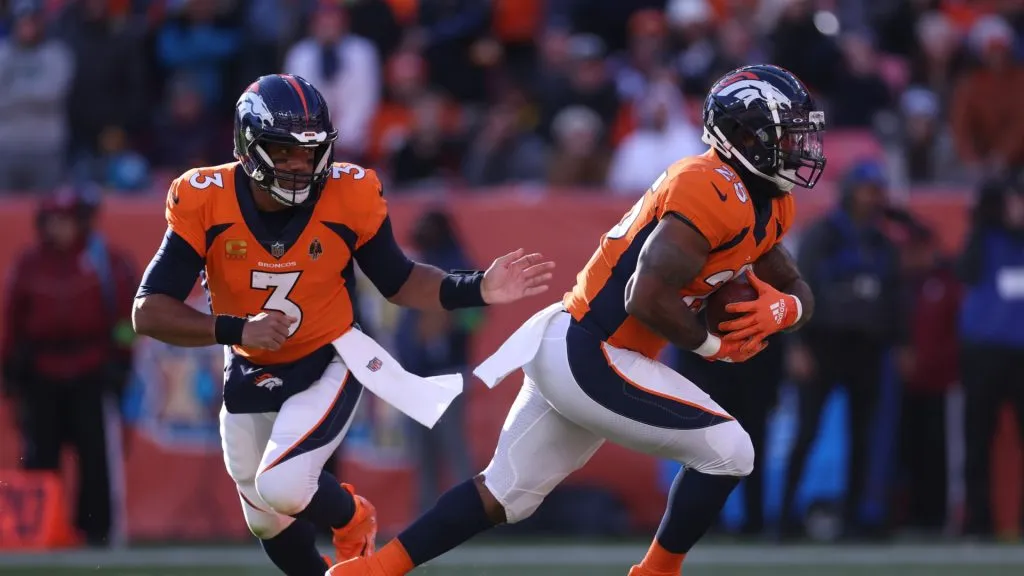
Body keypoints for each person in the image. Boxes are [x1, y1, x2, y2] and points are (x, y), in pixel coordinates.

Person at [328, 64, 823, 576]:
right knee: (731, 450)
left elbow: (796, 286)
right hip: (594, 349)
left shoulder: (768, 202)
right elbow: (644, 294)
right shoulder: (709, 186)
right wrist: (716, 348)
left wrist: (784, 309)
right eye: (785, 136)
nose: (797, 148)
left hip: (576, 345)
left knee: (504, 493)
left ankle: (371, 570)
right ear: (742, 135)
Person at [131, 74, 554, 576]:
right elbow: (148, 310)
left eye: (309, 153)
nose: (298, 165)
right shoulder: (205, 198)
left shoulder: (349, 193)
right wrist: (237, 330)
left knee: (284, 485)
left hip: (332, 355)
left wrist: (476, 288)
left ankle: (353, 518)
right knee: (266, 520)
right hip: (248, 361)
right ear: (249, 147)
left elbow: (399, 281)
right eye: (283, 151)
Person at [2, 185, 136, 547]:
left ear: (81, 223)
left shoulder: (106, 262)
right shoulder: (29, 263)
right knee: (39, 456)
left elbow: (126, 318)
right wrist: (11, 368)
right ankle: (38, 530)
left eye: (67, 221)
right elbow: (13, 317)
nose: (59, 229)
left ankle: (95, 533)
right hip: (42, 372)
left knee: (95, 459)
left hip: (91, 370)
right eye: (53, 221)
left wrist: (122, 360)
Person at [780, 159, 907, 539]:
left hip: (866, 347)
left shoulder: (882, 241)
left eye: (878, 193)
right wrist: (797, 346)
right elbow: (795, 289)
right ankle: (785, 515)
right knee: (806, 432)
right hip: (822, 344)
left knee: (863, 436)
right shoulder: (822, 235)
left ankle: (855, 517)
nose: (873, 200)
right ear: (852, 191)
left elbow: (897, 297)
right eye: (868, 191)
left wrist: (901, 343)